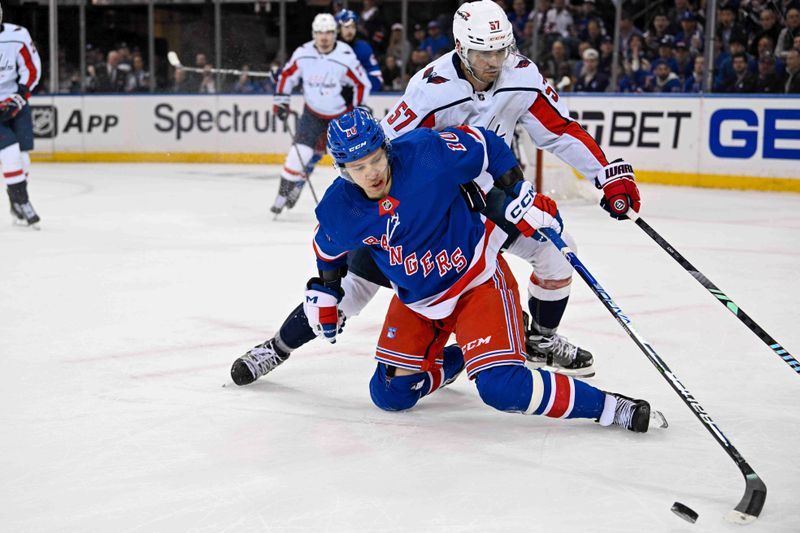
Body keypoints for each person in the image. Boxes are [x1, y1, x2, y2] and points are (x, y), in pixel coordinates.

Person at [231, 0, 643, 386]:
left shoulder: (523, 76)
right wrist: (355, 216)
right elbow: (378, 157)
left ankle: (541, 341)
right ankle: (278, 346)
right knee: (347, 296)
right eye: (484, 52)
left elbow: (559, 130)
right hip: (428, 209)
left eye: (502, 50)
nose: (495, 62)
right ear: (461, 47)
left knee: (557, 250)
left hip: (492, 195)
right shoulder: (431, 88)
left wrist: (606, 174)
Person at [253, 107, 666, 433]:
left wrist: (518, 190)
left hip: (476, 280)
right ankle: (466, 358)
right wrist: (323, 288)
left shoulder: (426, 153)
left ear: (386, 147)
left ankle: (611, 407)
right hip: (418, 300)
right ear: (342, 170)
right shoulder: (341, 207)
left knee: (502, 388)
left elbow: (485, 145)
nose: (372, 173)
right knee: (389, 395)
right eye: (358, 168)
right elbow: (326, 248)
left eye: (376, 159)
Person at [269, 13, 370, 216]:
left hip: (340, 119)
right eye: (320, 33)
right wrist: (281, 101)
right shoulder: (303, 53)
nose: (324, 37)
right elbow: (287, 76)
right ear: (314, 34)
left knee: (348, 163)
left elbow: (361, 83)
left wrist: (360, 110)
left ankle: (357, 204)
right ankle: (283, 195)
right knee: (298, 156)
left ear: (335, 34)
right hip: (312, 115)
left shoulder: (345, 55)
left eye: (329, 33)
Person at [0, 4, 42, 227]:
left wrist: (20, 95)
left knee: (23, 158)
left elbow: (31, 69)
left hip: (16, 102)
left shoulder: (17, 35)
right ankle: (23, 202)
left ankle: (13, 201)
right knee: (10, 153)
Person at [335, 10, 383, 94]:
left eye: (353, 27)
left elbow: (377, 79)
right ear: (338, 29)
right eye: (346, 27)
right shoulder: (328, 49)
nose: (350, 31)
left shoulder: (363, 48)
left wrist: (357, 87)